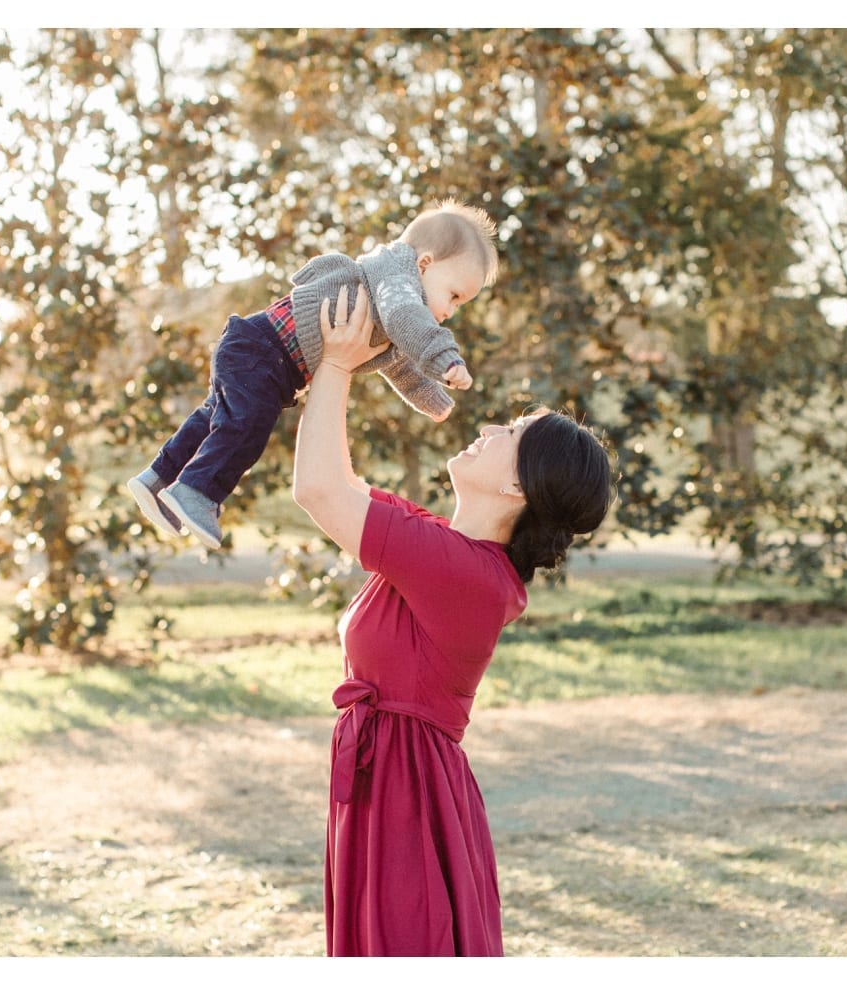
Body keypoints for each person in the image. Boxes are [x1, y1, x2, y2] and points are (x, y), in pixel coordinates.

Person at [292, 284, 615, 956]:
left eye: (513, 433)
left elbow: (317, 489)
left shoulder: (462, 573)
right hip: (390, 784)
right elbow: (342, 485)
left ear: (518, 487)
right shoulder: (447, 550)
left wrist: (339, 363)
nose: (492, 428)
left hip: (407, 799)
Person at [127, 199, 498, 550]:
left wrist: (434, 399)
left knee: (216, 420)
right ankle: (198, 491)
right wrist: (446, 358)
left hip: (261, 355)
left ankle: (159, 478)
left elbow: (402, 368)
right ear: (424, 264)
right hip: (264, 351)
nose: (452, 310)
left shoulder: (391, 309)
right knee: (247, 425)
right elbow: (407, 319)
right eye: (454, 296)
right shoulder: (396, 279)